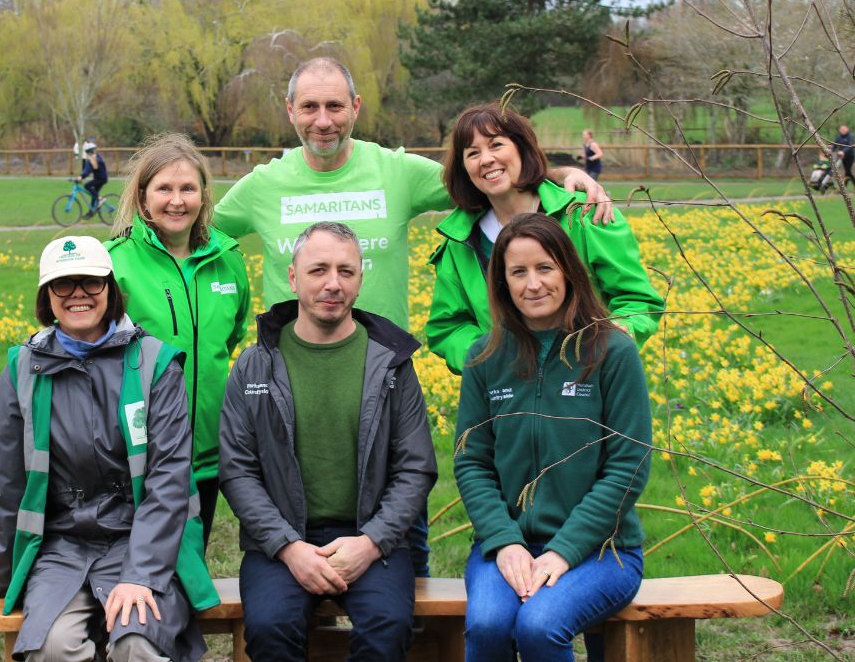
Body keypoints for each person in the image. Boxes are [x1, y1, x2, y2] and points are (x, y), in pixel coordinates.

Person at [213, 56, 615, 330]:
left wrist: (561, 174)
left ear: (355, 107)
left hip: (382, 365)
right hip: (289, 364)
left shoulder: (398, 171)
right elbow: (188, 231)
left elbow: (483, 176)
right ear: (290, 110)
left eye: (334, 106)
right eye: (309, 107)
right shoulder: (261, 186)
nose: (323, 121)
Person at [0, 236, 218, 661]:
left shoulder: (156, 364)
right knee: (52, 648)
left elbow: (169, 482)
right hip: (61, 548)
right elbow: (9, 487)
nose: (78, 294)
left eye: (91, 282)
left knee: (137, 642)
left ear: (111, 290)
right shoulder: (22, 369)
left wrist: (141, 574)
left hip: (142, 542)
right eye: (63, 284)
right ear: (47, 296)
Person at [219, 221, 438, 662]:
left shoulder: (392, 364)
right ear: (294, 277)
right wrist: (288, 548)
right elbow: (238, 470)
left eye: (346, 271)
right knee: (268, 629)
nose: (333, 284)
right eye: (318, 270)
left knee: (387, 629)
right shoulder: (256, 365)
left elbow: (415, 467)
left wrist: (372, 542)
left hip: (370, 537)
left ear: (360, 278)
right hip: (282, 541)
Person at [454, 214, 652, 662]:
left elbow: (629, 465)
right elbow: (472, 462)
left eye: (544, 268)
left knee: (540, 627)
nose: (533, 284)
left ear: (568, 271)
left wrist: (563, 551)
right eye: (518, 272)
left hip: (603, 550)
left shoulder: (612, 351)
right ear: (502, 283)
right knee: (486, 627)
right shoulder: (484, 356)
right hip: (506, 544)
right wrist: (503, 542)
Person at [427, 103, 665, 376]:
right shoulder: (459, 243)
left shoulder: (585, 214)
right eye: (472, 153)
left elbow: (636, 299)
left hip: (590, 382)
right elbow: (448, 327)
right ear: (464, 168)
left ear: (521, 147)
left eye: (496, 145)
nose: (486, 159)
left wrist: (615, 336)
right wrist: (491, 358)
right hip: (508, 397)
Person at [106, 133, 251, 548]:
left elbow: (233, 334)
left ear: (204, 195)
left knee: (192, 566)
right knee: (137, 571)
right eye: (164, 188)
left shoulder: (229, 260)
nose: (176, 200)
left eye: (188, 188)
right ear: (142, 196)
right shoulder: (115, 263)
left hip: (207, 453)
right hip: (137, 455)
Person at [77, 140, 108, 216]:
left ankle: (100, 199)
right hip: (102, 178)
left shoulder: (92, 159)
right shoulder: (97, 156)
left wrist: (81, 176)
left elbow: (87, 170)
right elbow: (89, 169)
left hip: (100, 179)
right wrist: (82, 176)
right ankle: (91, 212)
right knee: (94, 194)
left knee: (87, 186)